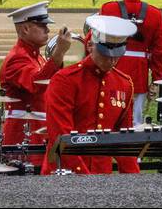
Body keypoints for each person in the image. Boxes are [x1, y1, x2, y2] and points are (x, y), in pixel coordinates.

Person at [42, 15, 139, 174]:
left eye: (117, 54)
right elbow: (61, 136)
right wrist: (84, 177)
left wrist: (134, 181)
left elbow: (124, 141)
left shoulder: (124, 84)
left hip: (101, 173)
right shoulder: (65, 80)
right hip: (65, 172)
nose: (112, 60)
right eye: (105, 54)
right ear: (90, 45)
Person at [0, 1, 70, 167]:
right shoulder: (17, 58)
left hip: (38, 132)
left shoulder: (36, 56)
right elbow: (36, 84)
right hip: (25, 136)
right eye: (41, 25)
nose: (47, 30)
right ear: (25, 29)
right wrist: (58, 53)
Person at [98, 0, 162, 126]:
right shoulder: (154, 14)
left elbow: (96, 39)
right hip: (139, 74)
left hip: (112, 68)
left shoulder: (108, 9)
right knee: (135, 120)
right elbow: (160, 50)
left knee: (110, 115)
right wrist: (156, 80)